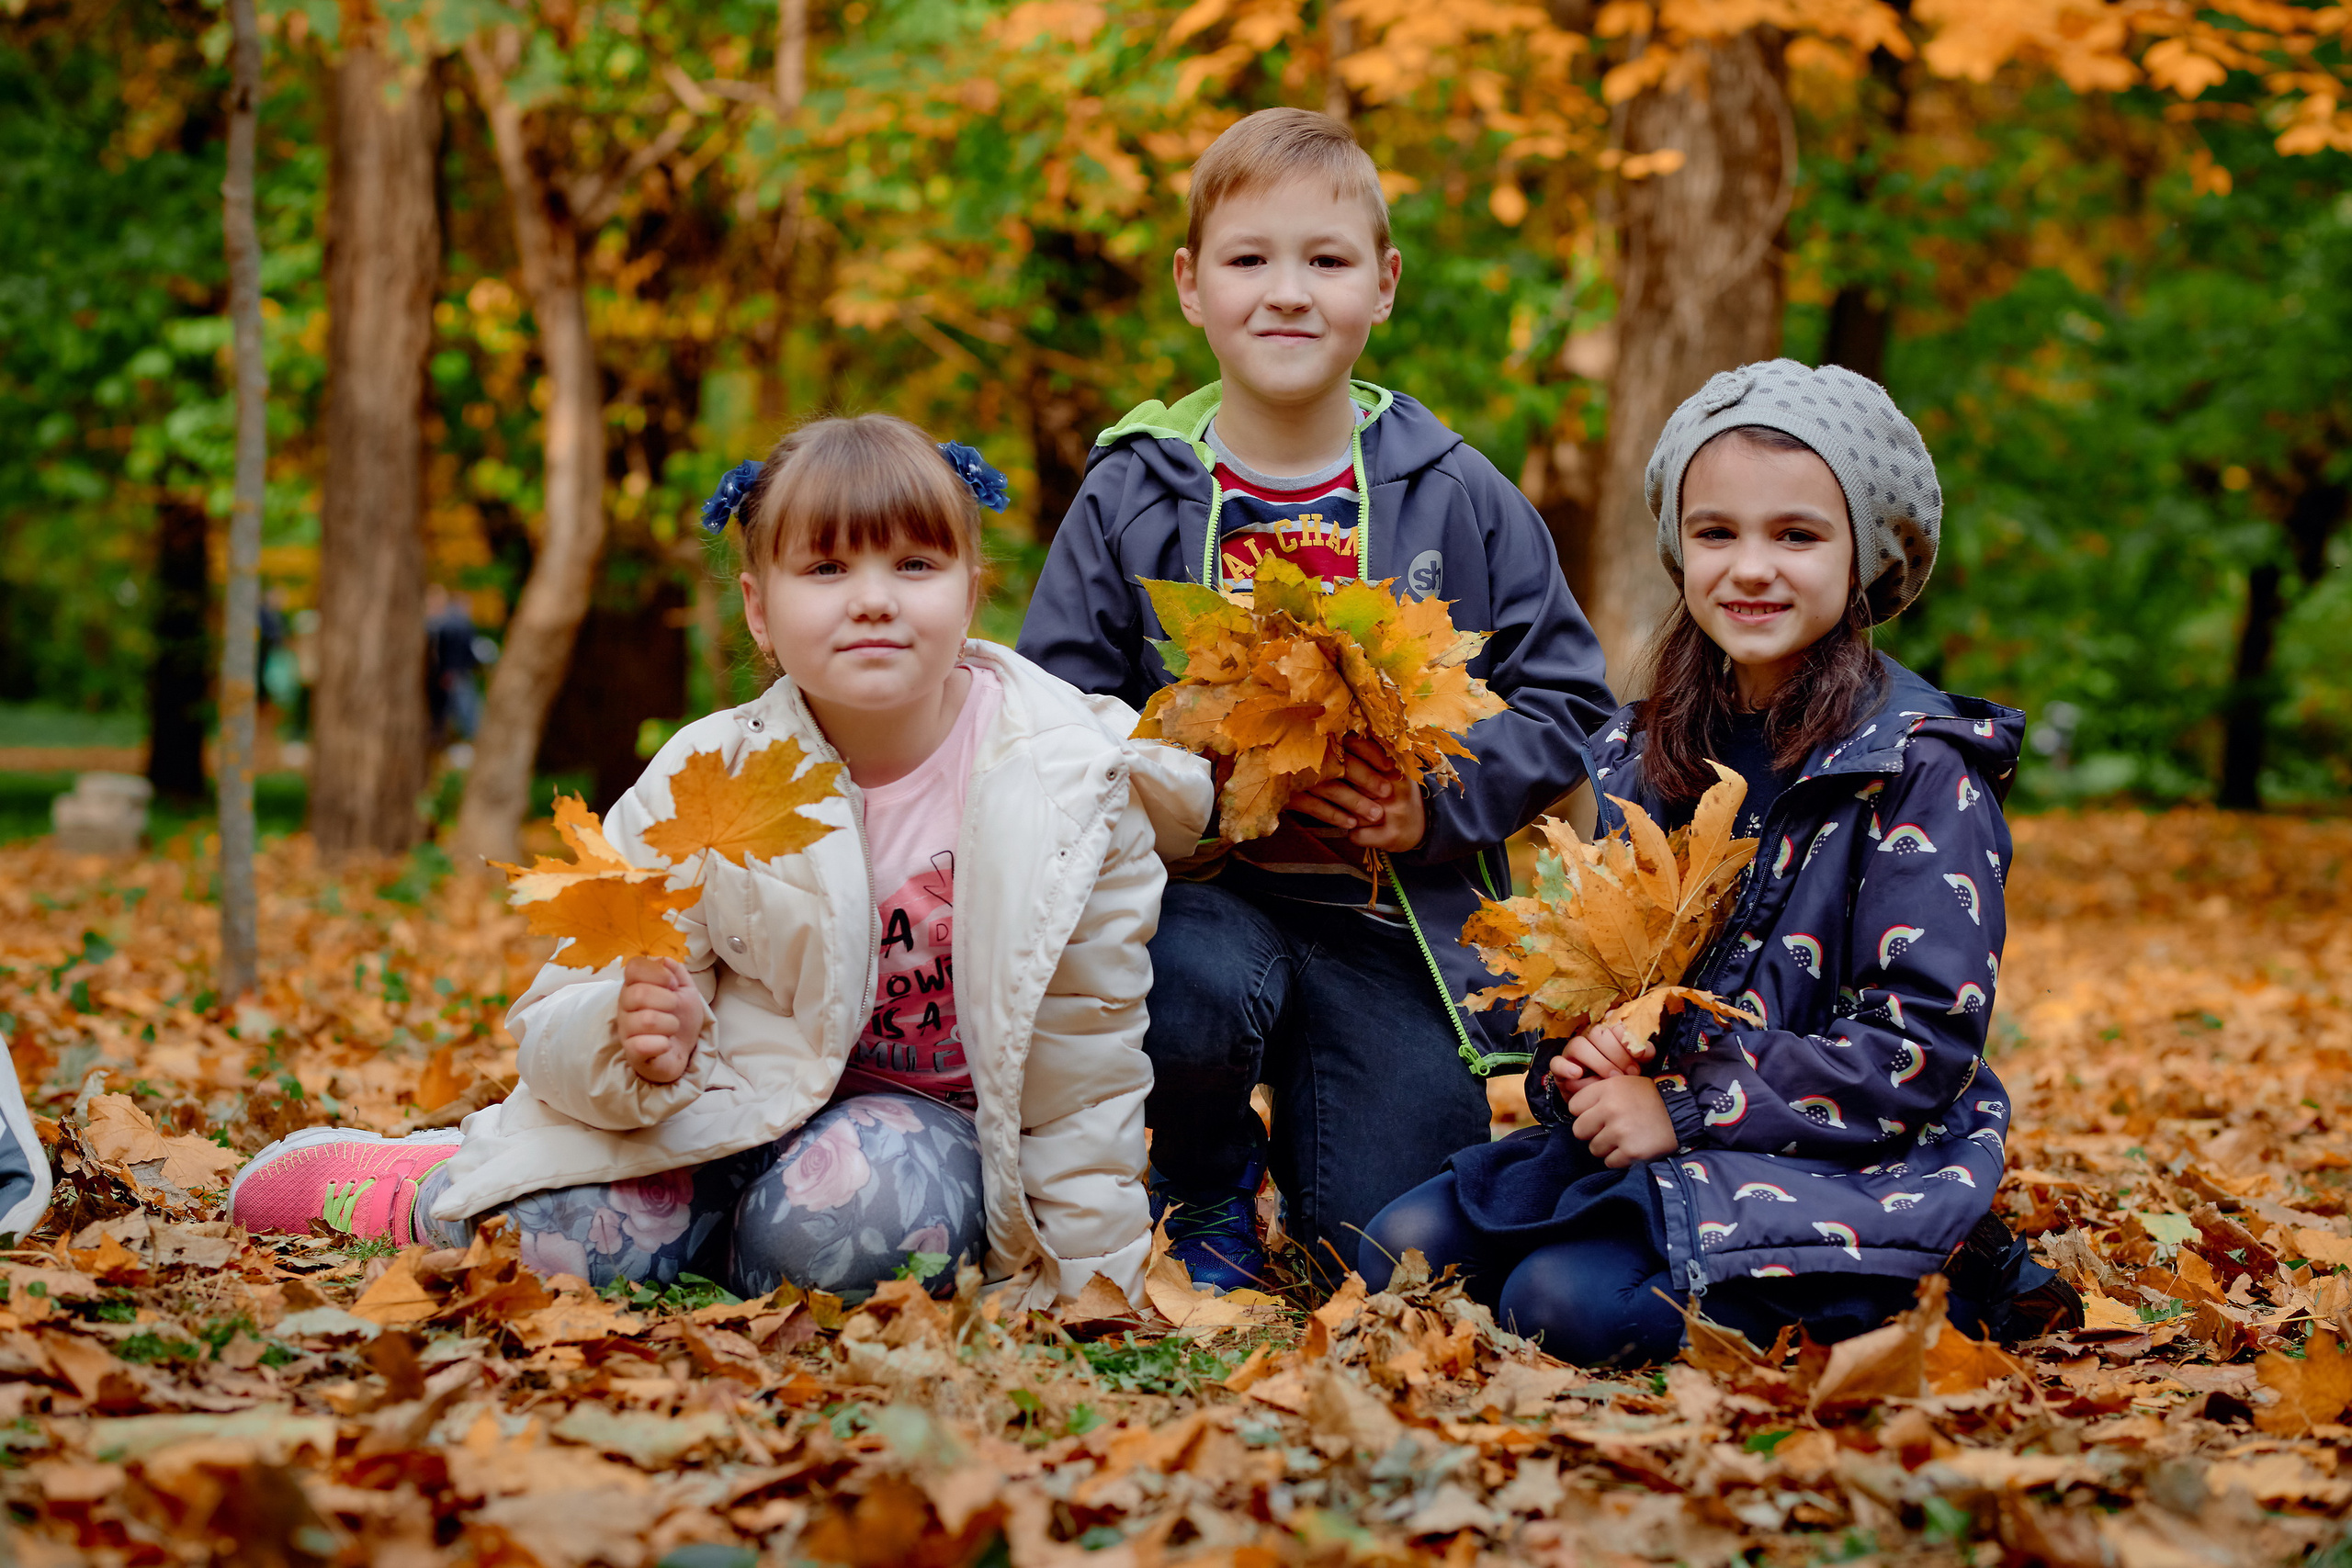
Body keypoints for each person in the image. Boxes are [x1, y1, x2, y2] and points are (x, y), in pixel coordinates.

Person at [232, 415, 1213, 1308]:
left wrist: (1094, 1287)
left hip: (921, 1138)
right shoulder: (707, 778)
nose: (873, 600)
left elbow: (1085, 1063)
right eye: (826, 571)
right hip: (720, 1110)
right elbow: (557, 1011)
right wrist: (630, 1039)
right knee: (567, 1249)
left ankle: (724, 1246)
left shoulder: (1071, 788)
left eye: (915, 566)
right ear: (757, 607)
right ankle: (427, 1190)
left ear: (971, 588)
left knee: (841, 1231)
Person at [1361, 359, 2082, 1362]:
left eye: (1795, 535)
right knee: (1394, 1248)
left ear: (1863, 554)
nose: (1750, 568)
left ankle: (1945, 1279)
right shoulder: (1646, 746)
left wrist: (1684, 1101)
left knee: (1559, 1305)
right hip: (1658, 1135)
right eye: (1716, 534)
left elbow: (1916, 1046)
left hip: (1850, 1154)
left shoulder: (1917, 769)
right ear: (1678, 547)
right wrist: (1584, 1056)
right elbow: (1605, 966)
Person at [1017, 108, 1615, 1288]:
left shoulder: (1456, 493)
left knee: (1383, 1256)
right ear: (1192, 286)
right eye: (1249, 259)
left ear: (1382, 287)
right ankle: (1204, 1182)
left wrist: (1434, 809)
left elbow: (1567, 698)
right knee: (1188, 984)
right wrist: (1180, 789)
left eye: (1326, 261)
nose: (1285, 292)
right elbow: (1051, 713)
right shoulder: (1133, 492)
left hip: (1389, 927)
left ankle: (1326, 1132)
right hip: (1196, 906)